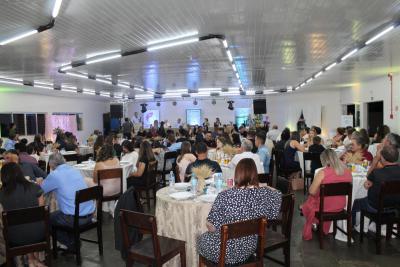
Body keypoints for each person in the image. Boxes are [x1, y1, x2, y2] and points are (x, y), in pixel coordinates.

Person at [197, 158, 281, 264]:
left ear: (237, 174)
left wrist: (208, 223)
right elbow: (277, 196)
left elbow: (212, 227)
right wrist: (264, 186)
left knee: (199, 239)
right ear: (255, 174)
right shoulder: (265, 194)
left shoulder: (225, 196)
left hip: (224, 252)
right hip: (249, 248)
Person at [39, 153, 95, 251]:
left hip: (75, 218)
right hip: (90, 214)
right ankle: (72, 240)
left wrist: (40, 182)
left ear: (51, 165)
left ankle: (71, 243)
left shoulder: (55, 175)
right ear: (64, 160)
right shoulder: (75, 170)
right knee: (61, 213)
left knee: (46, 219)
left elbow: (41, 190)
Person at [0, 163, 46, 267]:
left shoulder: (2, 194)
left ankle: (31, 260)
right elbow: (41, 212)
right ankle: (33, 260)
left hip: (14, 237)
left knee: (20, 227)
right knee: (31, 225)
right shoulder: (35, 187)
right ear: (20, 173)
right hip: (39, 234)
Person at [301, 149, 352, 240]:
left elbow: (312, 191)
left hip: (325, 206)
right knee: (312, 200)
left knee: (310, 200)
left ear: (323, 160)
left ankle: (314, 222)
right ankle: (316, 223)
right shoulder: (347, 171)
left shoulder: (322, 173)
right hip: (340, 206)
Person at [352, 145, 400, 226]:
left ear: (382, 158)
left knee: (353, 203)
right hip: (396, 206)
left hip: (375, 207)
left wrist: (375, 160)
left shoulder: (377, 173)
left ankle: (353, 226)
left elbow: (367, 182)